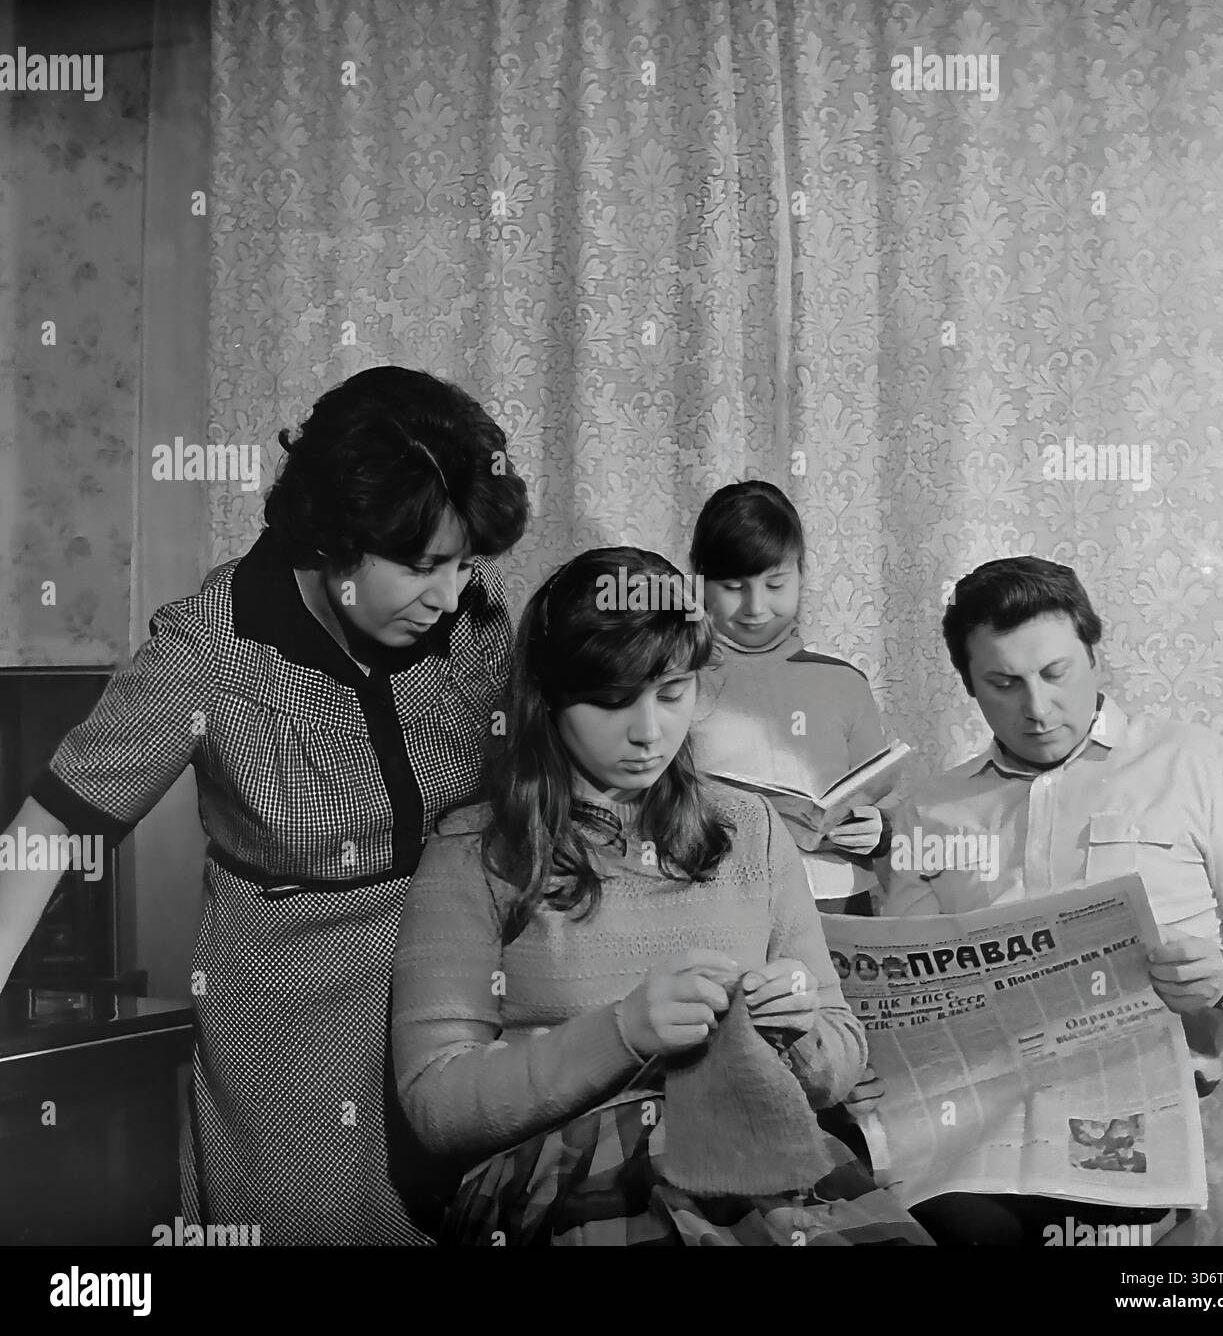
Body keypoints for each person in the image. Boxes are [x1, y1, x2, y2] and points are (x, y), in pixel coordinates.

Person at [0, 366, 529, 1244]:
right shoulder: (214, 644)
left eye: (462, 562)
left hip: (457, 1010)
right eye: (422, 565)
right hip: (292, 1049)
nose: (446, 594)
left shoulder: (468, 617)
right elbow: (52, 829)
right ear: (331, 535)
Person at [390, 547, 930, 1245]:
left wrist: (800, 1031)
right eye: (613, 701)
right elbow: (437, 1104)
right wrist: (621, 1032)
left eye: (671, 693)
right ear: (548, 697)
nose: (648, 732)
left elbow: (837, 1061)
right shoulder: (477, 850)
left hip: (755, 1155)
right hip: (557, 1175)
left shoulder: (750, 830)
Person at [882, 555, 1223, 1245]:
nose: (1037, 708)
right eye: (1004, 683)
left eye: (1055, 674)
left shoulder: (1198, 766)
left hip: (1133, 1132)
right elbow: (905, 994)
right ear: (970, 687)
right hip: (975, 1136)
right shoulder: (930, 811)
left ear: (1094, 656)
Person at [688, 481, 895, 911]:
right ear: (699, 582)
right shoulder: (677, 683)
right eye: (733, 587)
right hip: (717, 903)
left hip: (837, 899)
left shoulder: (843, 682)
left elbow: (880, 796)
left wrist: (879, 830)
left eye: (776, 583)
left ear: (802, 573)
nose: (756, 607)